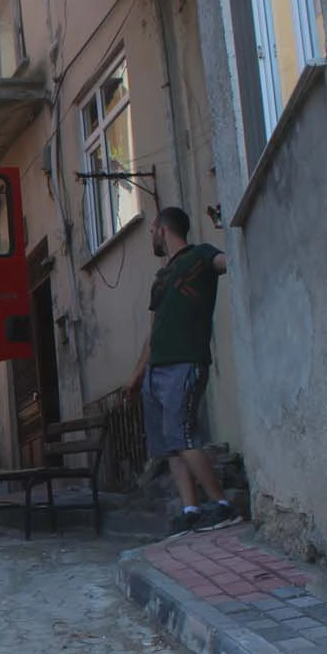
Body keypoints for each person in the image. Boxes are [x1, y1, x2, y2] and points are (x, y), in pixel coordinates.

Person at [129, 206, 239, 536]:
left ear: (163, 230)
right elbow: (152, 333)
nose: (150, 236)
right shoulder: (161, 279)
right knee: (168, 445)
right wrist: (136, 377)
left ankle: (223, 506)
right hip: (156, 372)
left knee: (183, 435)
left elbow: (227, 262)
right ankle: (190, 509)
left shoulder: (201, 257)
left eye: (151, 230)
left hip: (185, 364)